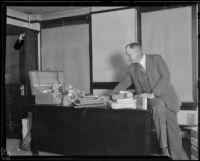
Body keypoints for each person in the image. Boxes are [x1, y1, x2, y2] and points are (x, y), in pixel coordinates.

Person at [112, 42, 188, 160]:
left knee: (173, 130)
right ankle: (164, 149)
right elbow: (125, 82)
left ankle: (178, 157)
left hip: (167, 98)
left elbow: (166, 77)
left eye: (128, 55)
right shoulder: (132, 68)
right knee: (158, 105)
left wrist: (153, 93)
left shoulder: (156, 59)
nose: (127, 57)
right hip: (149, 101)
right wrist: (111, 94)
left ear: (136, 52)